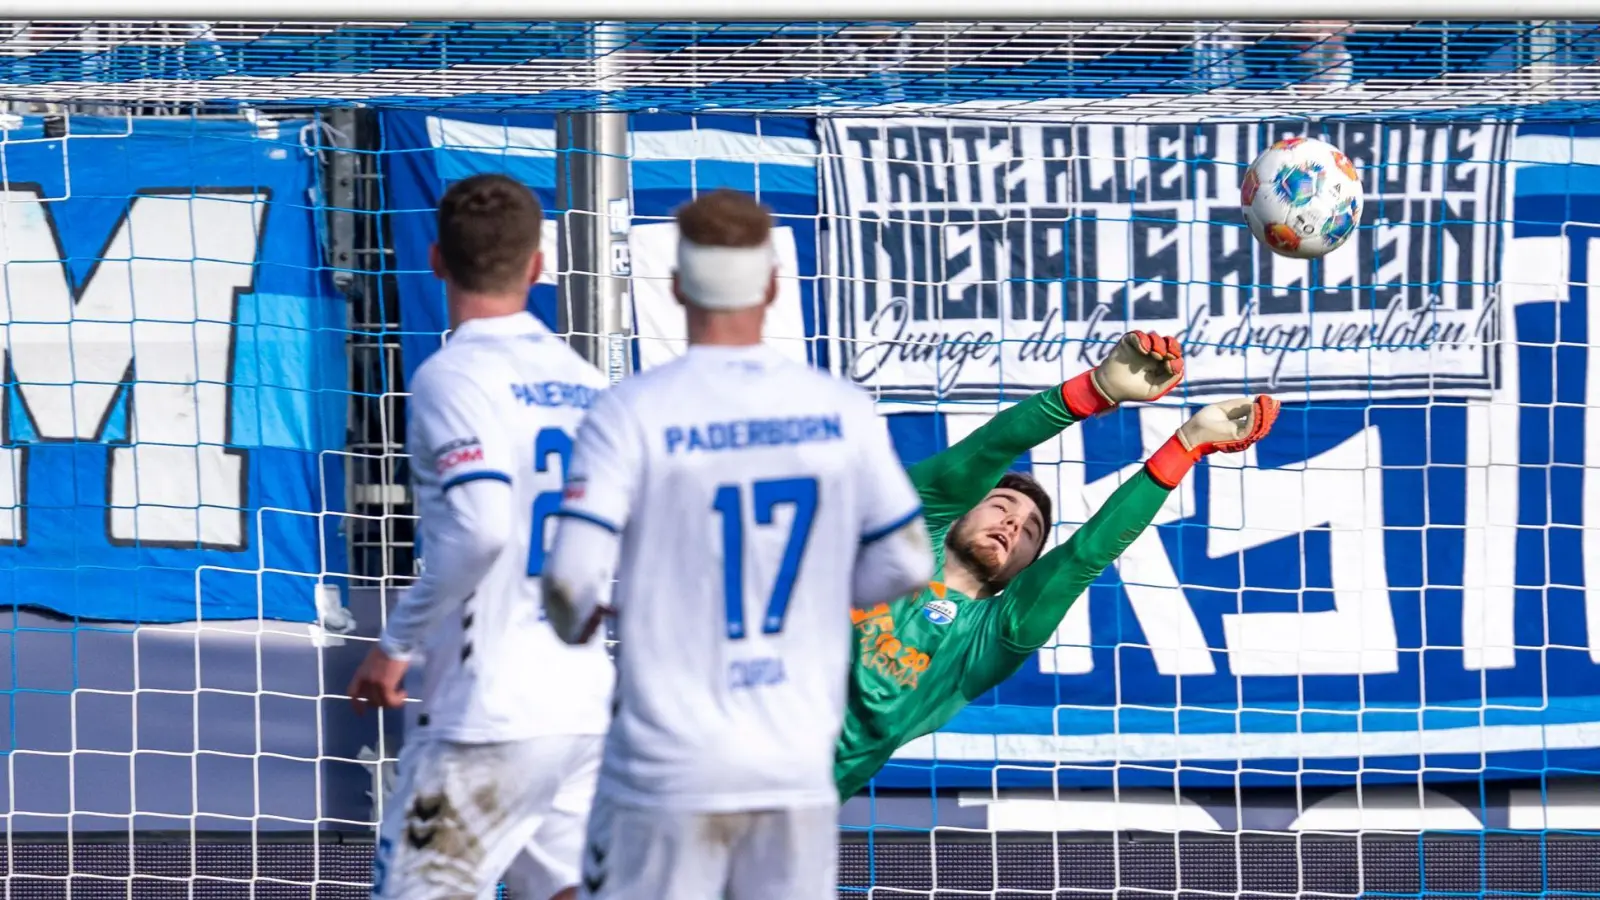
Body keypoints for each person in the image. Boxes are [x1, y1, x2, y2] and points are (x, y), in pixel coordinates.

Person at [540, 189, 936, 900]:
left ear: (677, 288)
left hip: (668, 761)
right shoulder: (838, 408)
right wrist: (816, 597)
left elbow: (571, 582)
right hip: (792, 762)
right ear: (775, 286)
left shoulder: (631, 409)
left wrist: (578, 628)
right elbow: (909, 560)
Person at [834, 332, 1281, 798]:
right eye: (1001, 505)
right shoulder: (890, 541)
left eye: (1030, 532)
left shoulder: (991, 640)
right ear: (963, 509)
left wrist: (1186, 445)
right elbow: (987, 450)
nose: (1012, 523)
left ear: (1027, 566)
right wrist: (1097, 388)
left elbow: (1086, 553)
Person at [347, 173, 614, 900]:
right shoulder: (588, 382)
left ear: (435, 259)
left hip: (490, 710)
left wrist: (394, 646)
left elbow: (481, 528)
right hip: (583, 706)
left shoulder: (451, 376)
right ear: (537, 264)